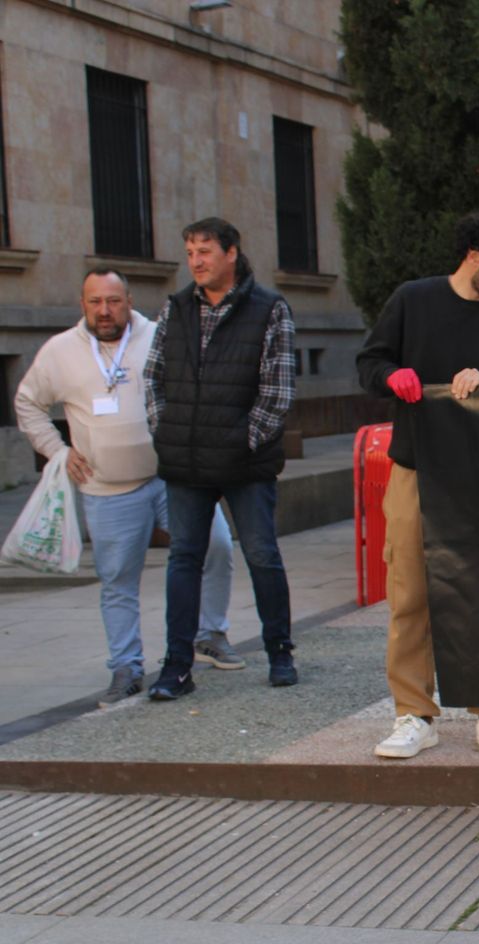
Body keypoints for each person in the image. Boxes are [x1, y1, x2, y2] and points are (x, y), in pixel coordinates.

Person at [356, 207, 479, 759]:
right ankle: (413, 714)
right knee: (410, 593)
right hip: (416, 468)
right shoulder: (413, 301)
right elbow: (370, 362)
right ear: (475, 258)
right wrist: (391, 377)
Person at [15, 269, 237, 706]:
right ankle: (126, 668)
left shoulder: (160, 335)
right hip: (106, 488)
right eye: (95, 301)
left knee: (218, 546)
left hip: (172, 478)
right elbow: (28, 402)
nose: (104, 310)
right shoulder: (59, 352)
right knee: (118, 580)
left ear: (128, 300)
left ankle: (209, 635)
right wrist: (57, 450)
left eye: (113, 301)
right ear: (83, 304)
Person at [144, 217, 298, 699]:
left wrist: (241, 443)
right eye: (190, 252)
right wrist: (166, 431)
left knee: (261, 554)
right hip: (185, 462)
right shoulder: (176, 308)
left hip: (243, 463)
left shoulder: (269, 309)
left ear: (231, 253)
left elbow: (278, 391)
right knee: (184, 558)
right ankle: (177, 666)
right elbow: (153, 377)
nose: (196, 262)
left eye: (205, 251)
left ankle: (279, 651)